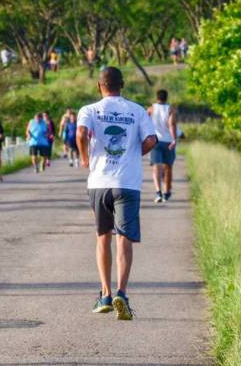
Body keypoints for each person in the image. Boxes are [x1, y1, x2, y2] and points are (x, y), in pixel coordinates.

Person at [77, 67, 157, 321]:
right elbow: (152, 139)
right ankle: (122, 292)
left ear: (99, 86)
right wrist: (135, 154)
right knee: (124, 238)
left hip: (99, 182)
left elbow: (80, 133)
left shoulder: (89, 110)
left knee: (103, 237)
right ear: (122, 85)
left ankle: (105, 295)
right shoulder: (136, 110)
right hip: (127, 183)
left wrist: (84, 157)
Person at [146, 90, 179, 203]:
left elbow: (145, 124)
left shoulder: (151, 109)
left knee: (156, 166)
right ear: (166, 97)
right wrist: (174, 139)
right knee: (168, 167)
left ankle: (158, 192)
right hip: (168, 141)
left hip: (155, 141)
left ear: (156, 97)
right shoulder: (171, 109)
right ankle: (167, 192)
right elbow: (172, 124)